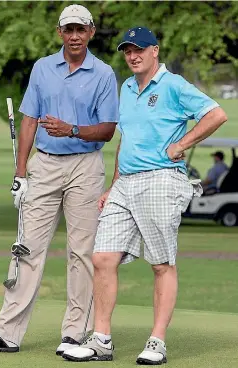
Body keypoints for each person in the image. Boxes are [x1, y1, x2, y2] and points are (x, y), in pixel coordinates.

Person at [62, 26, 227, 364]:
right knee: (103, 258)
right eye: (127, 51)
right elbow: (127, 139)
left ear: (155, 51)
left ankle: (156, 342)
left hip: (161, 179)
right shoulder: (126, 86)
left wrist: (181, 145)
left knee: (161, 264)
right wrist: (113, 184)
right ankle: (102, 340)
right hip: (126, 183)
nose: (132, 56)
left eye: (139, 49)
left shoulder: (174, 85)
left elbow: (216, 114)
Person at [0, 4, 119, 355]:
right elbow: (29, 120)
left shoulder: (105, 74)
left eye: (81, 29)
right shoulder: (43, 68)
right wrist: (21, 173)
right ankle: (6, 331)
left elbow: (108, 130)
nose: (75, 35)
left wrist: (71, 129)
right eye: (69, 29)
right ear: (59, 32)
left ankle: (75, 334)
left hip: (85, 166)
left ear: (91, 32)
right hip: (44, 165)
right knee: (27, 247)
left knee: (82, 253)